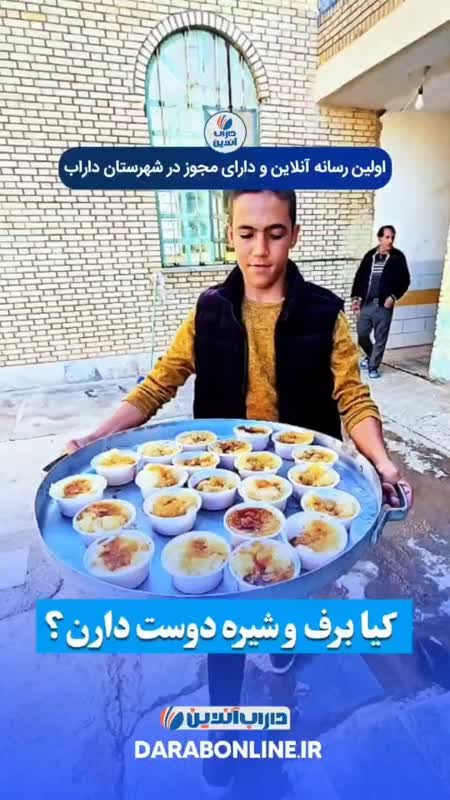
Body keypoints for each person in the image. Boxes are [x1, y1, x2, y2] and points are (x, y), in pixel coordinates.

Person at [65, 191, 412, 787]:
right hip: (220, 487)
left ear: (294, 234)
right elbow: (159, 383)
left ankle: (281, 645)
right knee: (222, 613)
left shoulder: (325, 313)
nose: (260, 249)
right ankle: (223, 724)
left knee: (288, 582)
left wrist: (382, 463)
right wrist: (96, 436)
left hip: (298, 488)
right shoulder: (208, 310)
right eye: (247, 233)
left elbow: (352, 397)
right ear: (229, 235)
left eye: (275, 233)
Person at [351, 225, 410, 379]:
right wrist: (356, 297)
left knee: (380, 338)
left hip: (384, 306)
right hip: (367, 304)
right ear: (380, 238)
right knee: (362, 334)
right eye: (387, 237)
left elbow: (405, 281)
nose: (390, 241)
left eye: (392, 237)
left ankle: (373, 367)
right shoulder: (370, 255)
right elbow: (359, 277)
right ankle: (371, 356)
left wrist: (393, 297)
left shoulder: (398, 257)